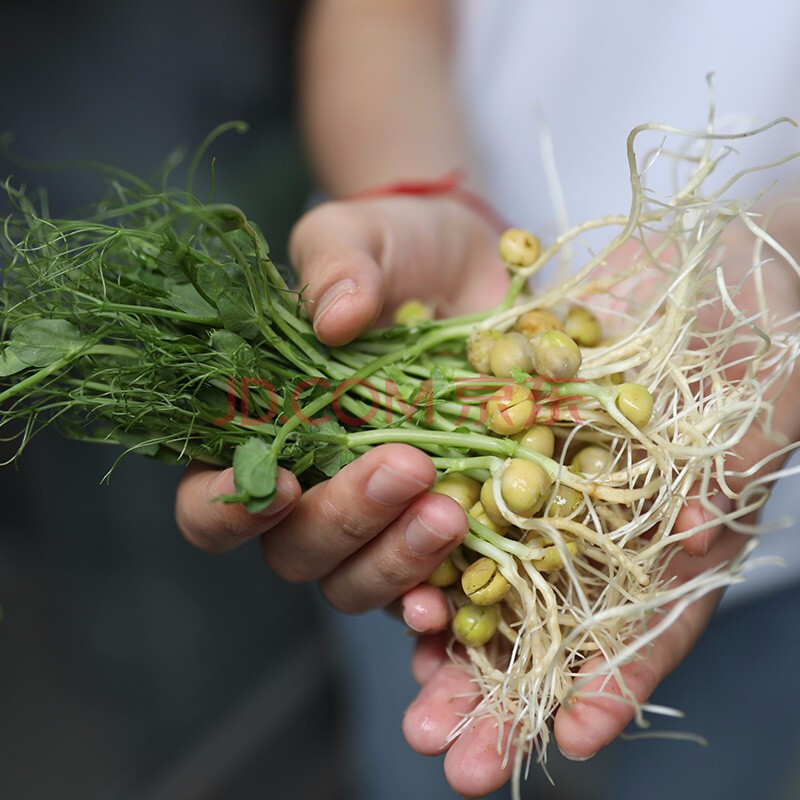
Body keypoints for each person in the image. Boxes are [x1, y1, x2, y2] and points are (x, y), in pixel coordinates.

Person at [176, 1, 800, 797]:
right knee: (420, 740)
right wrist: (427, 200)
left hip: (757, 471)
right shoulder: (466, 398)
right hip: (430, 492)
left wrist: (778, 267)